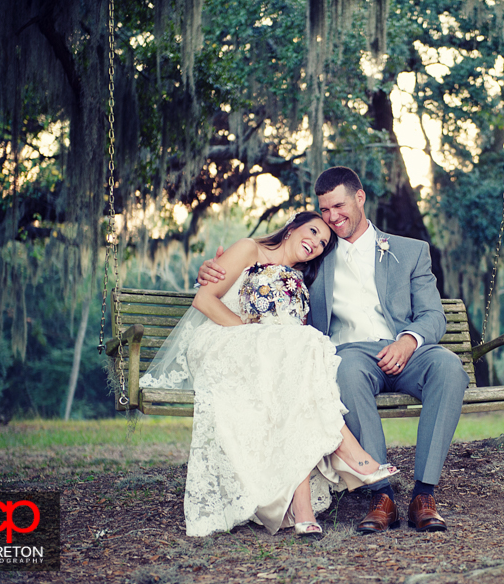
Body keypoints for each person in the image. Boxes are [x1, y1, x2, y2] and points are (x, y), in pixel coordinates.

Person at [199, 167, 469, 533]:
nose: (332, 217)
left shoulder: (410, 251)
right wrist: (217, 270)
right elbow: (266, 266)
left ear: (360, 198)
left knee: (449, 367)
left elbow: (433, 316)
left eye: (339, 206)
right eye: (324, 210)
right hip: (351, 354)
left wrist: (407, 342)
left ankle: (424, 494)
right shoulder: (317, 254)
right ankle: (381, 495)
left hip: (406, 349)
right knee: (345, 371)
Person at [141, 211, 399, 539]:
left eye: (323, 243)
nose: (317, 243)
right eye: (313, 231)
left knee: (293, 386)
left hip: (270, 356)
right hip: (223, 341)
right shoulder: (249, 248)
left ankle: (303, 510)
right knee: (293, 352)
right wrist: (255, 336)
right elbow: (204, 299)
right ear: (292, 227)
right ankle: (346, 449)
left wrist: (269, 341)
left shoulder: (299, 278)